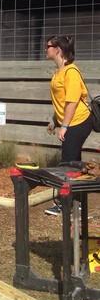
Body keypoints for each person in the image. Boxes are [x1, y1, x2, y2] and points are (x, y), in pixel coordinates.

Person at [44, 35, 93, 215]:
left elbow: (72, 102)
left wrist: (64, 126)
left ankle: (65, 203)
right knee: (73, 161)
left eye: (48, 46)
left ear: (58, 50)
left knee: (67, 162)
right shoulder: (60, 72)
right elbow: (61, 101)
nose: (45, 49)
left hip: (79, 121)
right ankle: (76, 202)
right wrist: (55, 120)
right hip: (69, 121)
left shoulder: (71, 71)